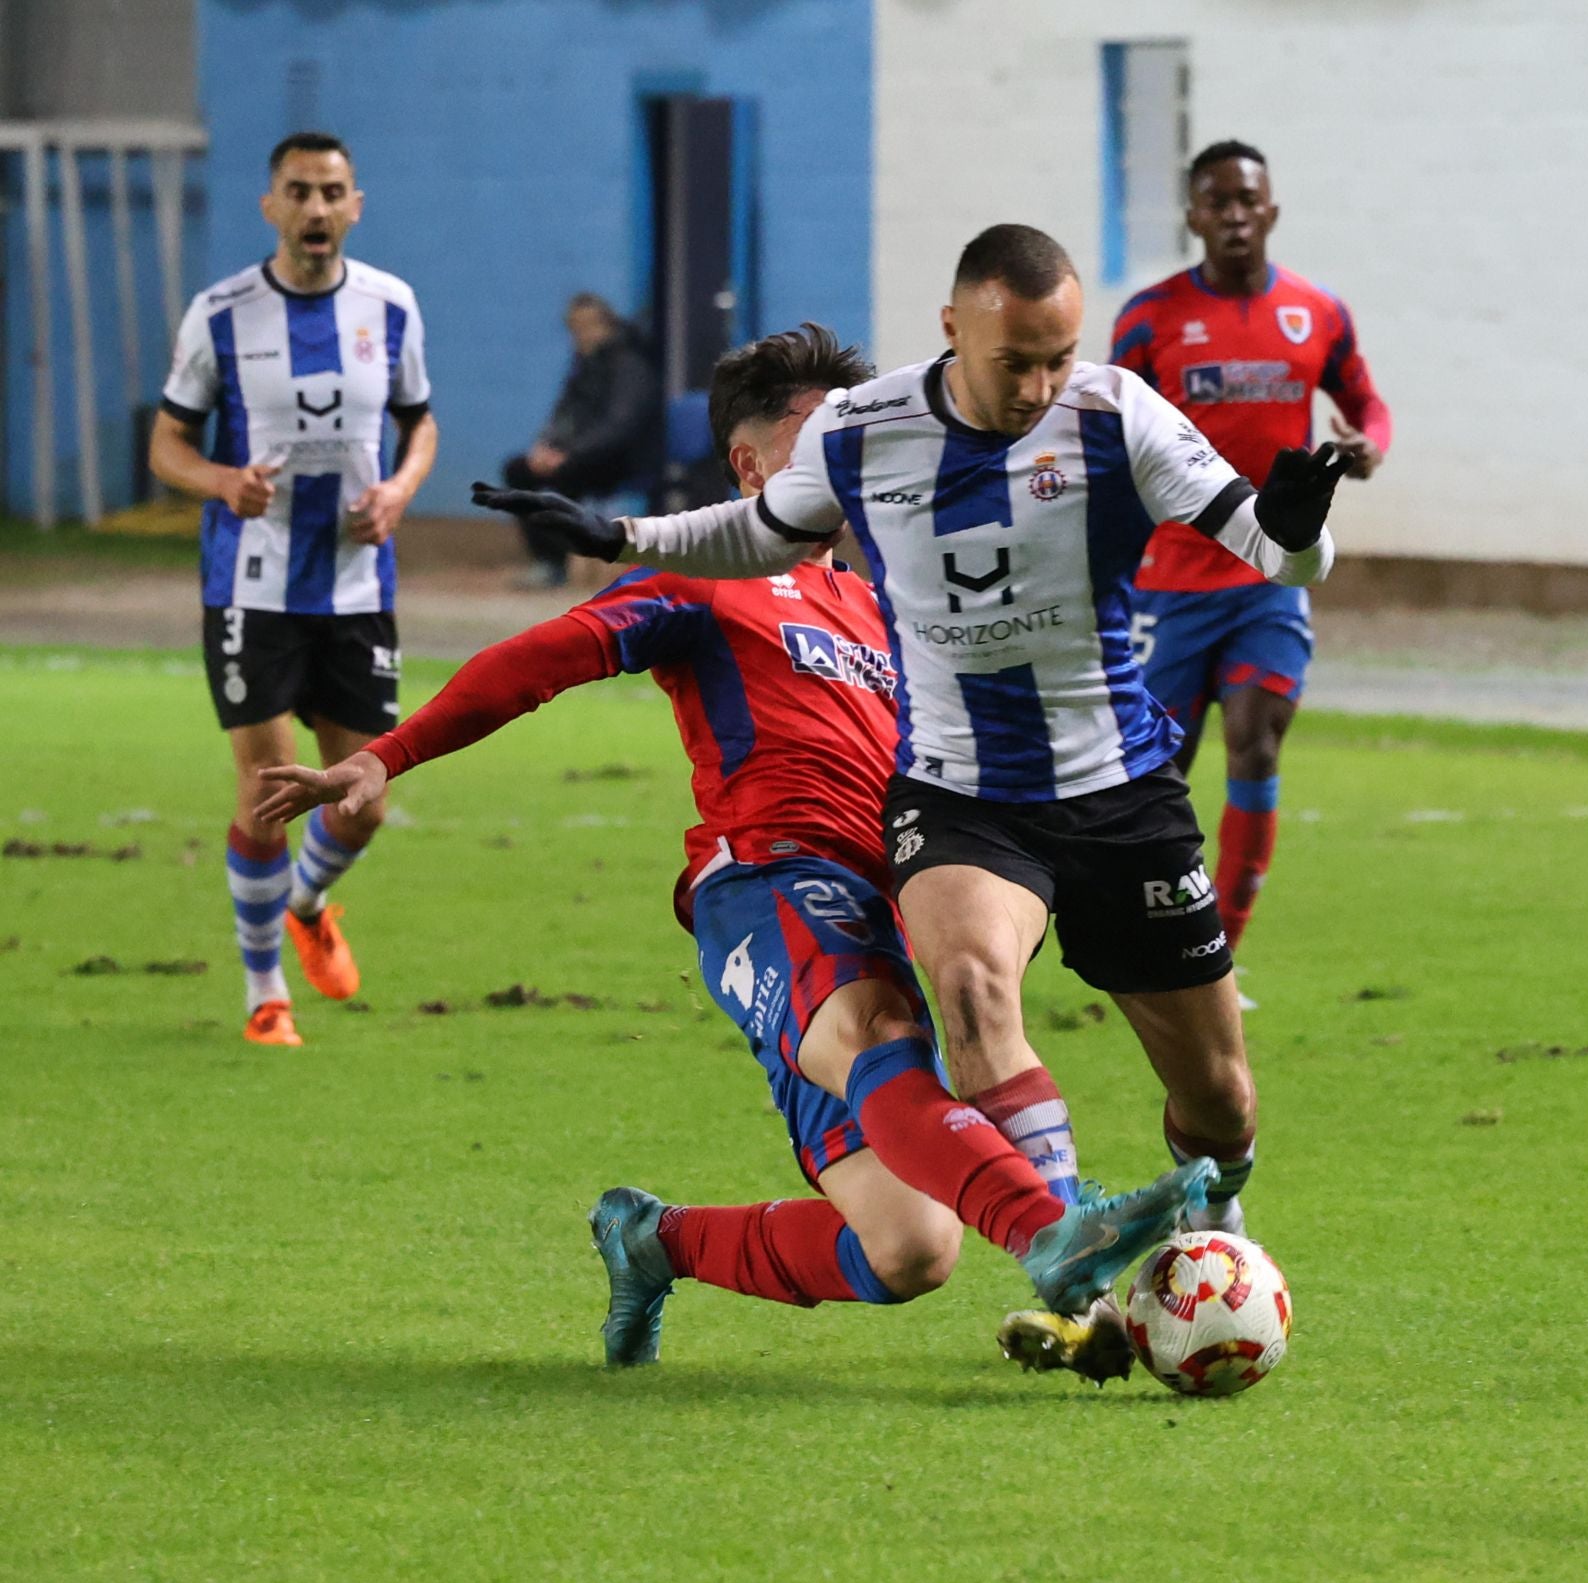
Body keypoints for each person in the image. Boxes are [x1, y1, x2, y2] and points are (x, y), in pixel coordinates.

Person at [472, 225, 1353, 1382]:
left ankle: (1221, 1225)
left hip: (1124, 795)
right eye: (1015, 362)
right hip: (962, 796)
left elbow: (1272, 547)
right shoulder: (862, 427)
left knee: (1221, 1098)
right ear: (955, 329)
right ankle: (1074, 1262)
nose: (1039, 387)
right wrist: (626, 535)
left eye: (1058, 357)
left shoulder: (1116, 415)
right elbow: (757, 531)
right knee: (975, 995)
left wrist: (1297, 533)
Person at [256, 323, 1213, 1367]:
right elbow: (542, 659)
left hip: (892, 901)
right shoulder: (705, 579)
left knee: (909, 1249)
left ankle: (652, 1241)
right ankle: (1054, 1244)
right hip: (770, 884)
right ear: (751, 468)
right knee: (875, 1031)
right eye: (818, 442)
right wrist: (386, 757)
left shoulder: (900, 602)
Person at [149, 130, 437, 1048]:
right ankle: (264, 989)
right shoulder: (221, 314)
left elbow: (420, 422)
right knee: (268, 793)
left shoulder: (390, 307)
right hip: (253, 589)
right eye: (299, 192)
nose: (317, 209)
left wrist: (397, 491)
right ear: (271, 206)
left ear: (356, 206)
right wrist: (222, 482)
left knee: (364, 799)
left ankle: (308, 904)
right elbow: (166, 446)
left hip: (357, 587)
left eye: (333, 192)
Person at [1111, 139, 1392, 1007]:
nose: (1234, 215)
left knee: (1257, 737)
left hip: (1267, 577)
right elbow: (1103, 430)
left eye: (1248, 200)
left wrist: (1366, 450)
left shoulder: (1317, 313)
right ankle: (1143, 937)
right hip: (1170, 581)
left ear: (1271, 210)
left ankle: (1220, 960)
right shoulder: (1151, 318)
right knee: (1161, 771)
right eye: (1216, 202)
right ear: (1194, 217)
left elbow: (1368, 406)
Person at [500, 293, 659, 590]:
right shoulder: (584, 365)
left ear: (605, 325)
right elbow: (564, 413)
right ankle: (549, 561)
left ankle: (570, 557)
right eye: (574, 329)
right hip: (578, 454)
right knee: (518, 471)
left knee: (562, 478)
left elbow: (619, 428)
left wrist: (569, 454)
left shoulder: (630, 365)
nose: (579, 336)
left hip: (621, 459)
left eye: (585, 328)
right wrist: (545, 447)